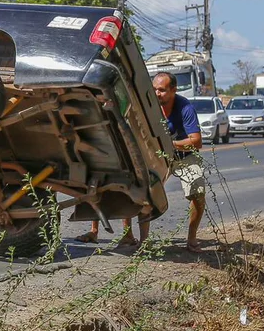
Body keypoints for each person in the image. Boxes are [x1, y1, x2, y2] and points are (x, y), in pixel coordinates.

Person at [75, 72, 206, 252]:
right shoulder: (148, 105)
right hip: (157, 155)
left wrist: (169, 145)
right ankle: (133, 238)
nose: (157, 93)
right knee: (137, 186)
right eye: (154, 89)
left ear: (173, 90)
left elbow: (196, 141)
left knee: (197, 193)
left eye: (162, 90)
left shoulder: (185, 108)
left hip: (183, 155)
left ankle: (191, 239)